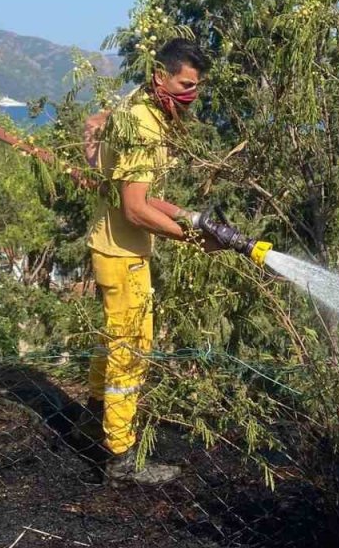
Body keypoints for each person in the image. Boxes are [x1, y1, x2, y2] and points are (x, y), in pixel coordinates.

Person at [85, 37, 212, 485]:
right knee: (131, 349)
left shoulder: (141, 109)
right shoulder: (143, 124)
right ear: (160, 75)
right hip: (122, 253)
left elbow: (145, 195)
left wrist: (189, 219)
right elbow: (135, 209)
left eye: (196, 86)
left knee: (114, 339)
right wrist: (192, 238)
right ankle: (120, 455)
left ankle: (95, 413)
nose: (189, 95)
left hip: (116, 247)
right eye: (184, 83)